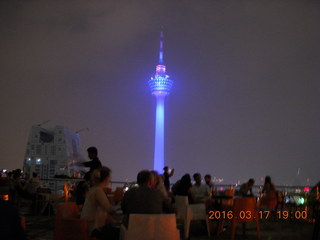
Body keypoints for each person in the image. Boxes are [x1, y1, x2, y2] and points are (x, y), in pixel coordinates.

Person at [80, 167, 120, 240]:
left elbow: (102, 209)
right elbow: (108, 208)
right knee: (120, 234)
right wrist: (120, 205)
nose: (110, 179)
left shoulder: (94, 189)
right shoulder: (98, 191)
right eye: (109, 177)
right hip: (93, 228)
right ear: (106, 178)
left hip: (88, 225)